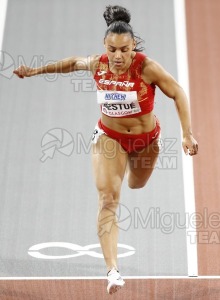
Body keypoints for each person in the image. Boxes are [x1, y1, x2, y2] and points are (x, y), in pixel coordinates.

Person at [13, 5, 198, 295]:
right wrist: (35, 70)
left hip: (145, 140)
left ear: (133, 46)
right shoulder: (98, 64)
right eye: (112, 50)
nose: (118, 56)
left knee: (137, 184)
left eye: (124, 50)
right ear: (105, 46)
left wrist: (186, 134)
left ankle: (133, 164)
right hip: (109, 138)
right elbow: (73, 63)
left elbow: (178, 92)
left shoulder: (146, 68)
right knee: (108, 198)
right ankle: (113, 271)